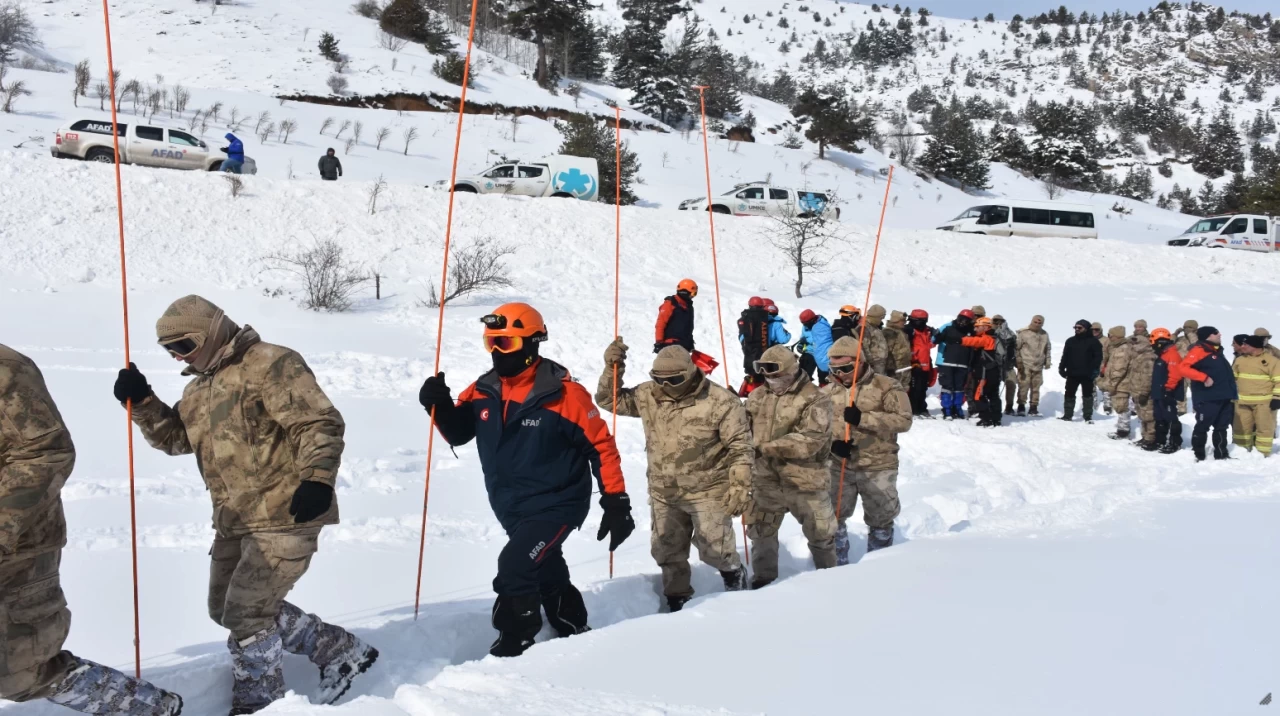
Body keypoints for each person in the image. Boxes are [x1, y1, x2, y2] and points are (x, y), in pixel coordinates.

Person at [114, 296, 376, 714]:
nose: (178, 356)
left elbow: (317, 422)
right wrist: (144, 403)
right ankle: (337, 648)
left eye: (183, 345)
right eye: (169, 350)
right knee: (223, 607)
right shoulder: (197, 389)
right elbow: (178, 440)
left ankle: (259, 702)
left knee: (246, 613)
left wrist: (316, 479)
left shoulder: (270, 363)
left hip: (287, 512)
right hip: (235, 520)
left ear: (211, 332)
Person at [418, 303, 634, 656]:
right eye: (491, 343)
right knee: (544, 564)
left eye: (506, 343)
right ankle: (571, 622)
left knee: (515, 566)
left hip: (558, 503)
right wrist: (438, 406)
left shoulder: (564, 395)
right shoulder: (483, 389)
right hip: (510, 504)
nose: (497, 352)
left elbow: (601, 447)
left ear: (532, 344)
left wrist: (616, 501)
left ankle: (516, 638)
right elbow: (458, 433)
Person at [2, 345, 185, 716]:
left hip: (18, 547)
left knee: (18, 671)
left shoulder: (5, 369)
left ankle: (149, 709)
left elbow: (45, 453)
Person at [595, 342, 750, 610]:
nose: (665, 386)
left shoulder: (720, 401)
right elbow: (609, 400)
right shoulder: (648, 394)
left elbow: (741, 447)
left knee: (716, 548)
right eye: (658, 379)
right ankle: (677, 600)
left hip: (708, 490)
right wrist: (612, 367)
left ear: (689, 373)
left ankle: (734, 577)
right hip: (664, 491)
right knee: (668, 551)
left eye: (674, 380)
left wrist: (739, 486)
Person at [744, 345, 837, 590]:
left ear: (790, 369)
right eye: (763, 370)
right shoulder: (757, 396)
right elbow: (743, 430)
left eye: (774, 371)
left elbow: (811, 440)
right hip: (765, 480)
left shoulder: (815, 398)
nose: (769, 376)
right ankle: (763, 584)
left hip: (805, 481)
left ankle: (830, 582)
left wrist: (765, 447)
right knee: (761, 533)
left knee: (821, 535)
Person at [825, 337, 912, 562]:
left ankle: (877, 567)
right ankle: (835, 569)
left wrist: (863, 418)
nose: (840, 374)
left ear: (860, 362)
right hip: (840, 465)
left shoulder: (887, 386)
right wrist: (831, 445)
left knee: (881, 519)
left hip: (877, 464)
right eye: (834, 369)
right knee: (832, 517)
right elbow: (814, 429)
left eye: (846, 368)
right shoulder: (826, 392)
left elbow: (903, 421)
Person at [1177, 326, 1238, 461]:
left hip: (1223, 396)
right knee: (1202, 426)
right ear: (1207, 336)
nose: (1219, 334)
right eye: (1215, 333)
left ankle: (1221, 454)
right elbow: (1183, 368)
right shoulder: (1199, 350)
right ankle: (1197, 454)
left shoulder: (1216, 350)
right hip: (1207, 397)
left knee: (1221, 427)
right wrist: (1203, 378)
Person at [1230, 334, 1280, 457]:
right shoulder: (1240, 360)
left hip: (1264, 403)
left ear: (1255, 346)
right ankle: (1240, 452)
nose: (1243, 346)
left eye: (1246, 344)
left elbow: (1278, 381)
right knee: (1240, 429)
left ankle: (1262, 453)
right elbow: (1232, 380)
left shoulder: (1272, 361)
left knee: (1264, 429)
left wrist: (1277, 398)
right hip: (1242, 402)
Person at [1110, 331, 1156, 447]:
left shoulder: (1148, 358)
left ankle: (1151, 439)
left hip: (1144, 392)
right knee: (1142, 416)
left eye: (1135, 344)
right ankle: (1145, 437)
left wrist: (1144, 393)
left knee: (1149, 417)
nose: (1132, 347)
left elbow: (1148, 377)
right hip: (1137, 391)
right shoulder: (1138, 357)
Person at [960, 317, 1003, 427]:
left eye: (977, 327)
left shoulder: (987, 338)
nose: (975, 329)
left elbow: (974, 341)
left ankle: (986, 419)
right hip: (994, 373)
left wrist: (959, 340)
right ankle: (996, 419)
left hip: (985, 374)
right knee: (993, 395)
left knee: (978, 396)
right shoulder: (996, 337)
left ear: (985, 327)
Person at [935, 309, 976, 420]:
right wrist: (937, 335)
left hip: (963, 363)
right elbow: (935, 339)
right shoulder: (948, 327)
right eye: (961, 319)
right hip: (947, 362)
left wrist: (971, 363)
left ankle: (957, 408)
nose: (962, 322)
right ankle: (947, 409)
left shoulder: (971, 331)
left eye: (966, 320)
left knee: (959, 387)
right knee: (947, 386)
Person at [1059, 319, 1103, 423]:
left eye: (1080, 327)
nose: (1077, 329)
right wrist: (1061, 368)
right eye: (1075, 327)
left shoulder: (1094, 342)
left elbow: (1098, 358)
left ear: (1086, 328)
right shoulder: (1070, 341)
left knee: (1087, 395)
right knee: (1069, 394)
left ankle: (1088, 416)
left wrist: (1094, 370)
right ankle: (1067, 415)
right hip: (1072, 373)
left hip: (1087, 374)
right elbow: (1065, 356)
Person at [1150, 329, 1184, 454]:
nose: (1152, 345)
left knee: (1171, 416)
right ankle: (1160, 441)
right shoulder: (1163, 354)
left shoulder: (1172, 354)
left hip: (1168, 392)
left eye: (1153, 342)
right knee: (1159, 417)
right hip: (1158, 392)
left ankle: (1175, 442)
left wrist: (1169, 388)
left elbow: (1176, 374)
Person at [1015, 314, 1051, 416]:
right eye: (1035, 322)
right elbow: (1017, 348)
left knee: (1036, 387)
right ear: (1032, 321)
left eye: (1039, 323)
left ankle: (1033, 407)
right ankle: (1021, 406)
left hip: (1038, 365)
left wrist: (1047, 361)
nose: (1037, 324)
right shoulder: (1024, 333)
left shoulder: (1044, 334)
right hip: (1025, 364)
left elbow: (1047, 348)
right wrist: (1019, 362)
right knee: (1023, 386)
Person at [903, 309, 936, 417]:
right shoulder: (908, 330)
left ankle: (921, 408)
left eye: (924, 321)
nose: (922, 323)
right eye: (919, 321)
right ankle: (912, 409)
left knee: (923, 388)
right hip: (913, 364)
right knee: (913, 388)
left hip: (925, 362)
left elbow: (927, 346)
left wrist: (936, 337)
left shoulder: (926, 331)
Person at [737, 296, 771, 396]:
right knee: (761, 372)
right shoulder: (765, 317)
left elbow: (744, 336)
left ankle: (750, 391)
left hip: (751, 352)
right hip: (763, 351)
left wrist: (745, 347)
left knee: (753, 371)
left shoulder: (747, 317)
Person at [1099, 326, 1130, 433]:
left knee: (1122, 406)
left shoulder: (1122, 349)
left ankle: (1123, 431)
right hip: (1119, 383)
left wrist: (1112, 384)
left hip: (1121, 383)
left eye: (1110, 335)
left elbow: (1119, 369)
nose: (1109, 338)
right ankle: (1122, 427)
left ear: (1116, 336)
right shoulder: (1118, 347)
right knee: (1120, 405)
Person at [654, 279, 697, 353]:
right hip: (671, 345)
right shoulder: (670, 304)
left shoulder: (688, 307)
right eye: (693, 294)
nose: (693, 297)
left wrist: (690, 343)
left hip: (683, 346)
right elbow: (660, 323)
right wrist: (659, 342)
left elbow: (688, 328)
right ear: (685, 292)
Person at [795, 309, 833, 385]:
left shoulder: (822, 325)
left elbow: (821, 340)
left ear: (812, 320)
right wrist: (801, 344)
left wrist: (807, 340)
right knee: (804, 371)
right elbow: (803, 337)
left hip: (822, 353)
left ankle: (823, 386)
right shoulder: (805, 326)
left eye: (806, 323)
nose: (805, 325)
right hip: (810, 351)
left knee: (823, 375)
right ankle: (804, 386)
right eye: (803, 323)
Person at [992, 315, 1018, 415]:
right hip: (994, 364)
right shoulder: (990, 332)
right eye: (996, 321)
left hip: (1008, 364)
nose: (998, 323)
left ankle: (1009, 407)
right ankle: (993, 406)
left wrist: (1016, 362)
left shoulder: (1010, 333)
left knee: (1011, 385)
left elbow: (1016, 348)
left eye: (1001, 321)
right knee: (993, 386)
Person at [882, 310, 914, 389]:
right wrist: (890, 368)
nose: (904, 322)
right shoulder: (889, 332)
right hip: (895, 370)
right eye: (902, 320)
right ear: (896, 320)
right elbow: (886, 351)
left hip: (903, 368)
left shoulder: (901, 332)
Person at [862, 304, 894, 377]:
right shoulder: (865, 328)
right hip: (873, 367)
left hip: (880, 366)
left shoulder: (875, 327)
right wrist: (870, 365)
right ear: (876, 317)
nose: (881, 321)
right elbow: (864, 348)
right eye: (880, 318)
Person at [1174, 320, 1199, 415]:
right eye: (1185, 327)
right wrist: (1175, 334)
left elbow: (1195, 345)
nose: (1186, 329)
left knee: (1196, 391)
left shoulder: (1199, 339)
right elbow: (1169, 343)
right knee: (1180, 391)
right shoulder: (1180, 339)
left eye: (1189, 328)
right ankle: (1181, 410)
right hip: (1180, 369)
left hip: (1192, 369)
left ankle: (1197, 409)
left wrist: (1191, 334)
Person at [1093, 322, 1111, 415]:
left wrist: (1106, 366)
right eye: (1092, 330)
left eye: (1097, 329)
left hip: (1103, 366)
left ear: (1100, 330)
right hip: (1090, 367)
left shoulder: (1106, 340)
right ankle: (1093, 405)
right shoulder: (1087, 340)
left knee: (1105, 387)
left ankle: (1107, 405)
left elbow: (1110, 354)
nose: (1094, 331)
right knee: (1090, 387)